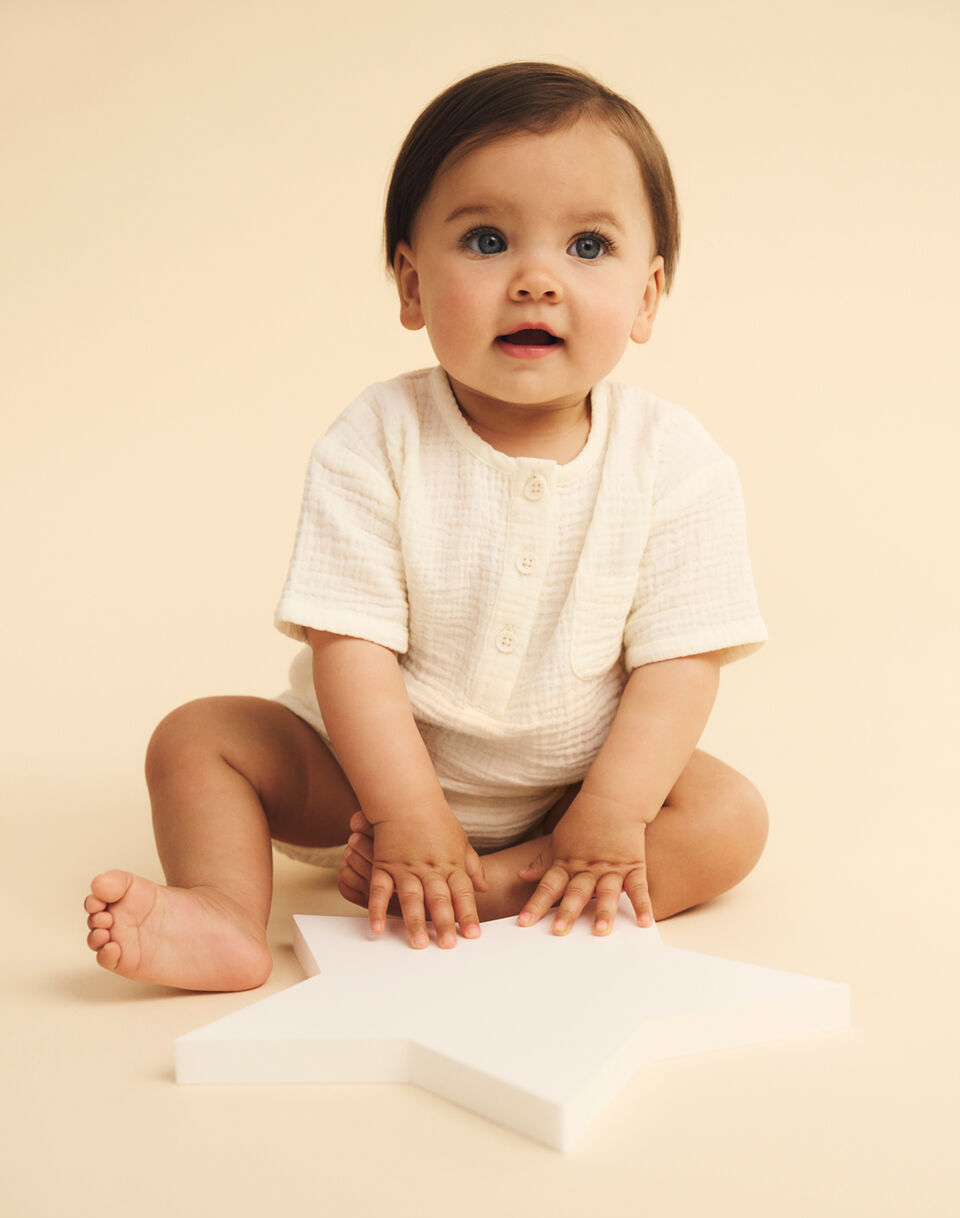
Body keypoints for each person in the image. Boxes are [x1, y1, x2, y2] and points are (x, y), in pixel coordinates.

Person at [84, 61, 769, 992]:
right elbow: (351, 643)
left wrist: (608, 813)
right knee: (197, 740)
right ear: (411, 285)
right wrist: (404, 812)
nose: (535, 280)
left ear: (648, 298)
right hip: (359, 779)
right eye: (487, 240)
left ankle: (485, 888)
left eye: (588, 247)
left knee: (730, 816)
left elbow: (681, 662)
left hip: (573, 793)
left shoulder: (677, 461)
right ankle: (223, 912)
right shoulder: (375, 438)